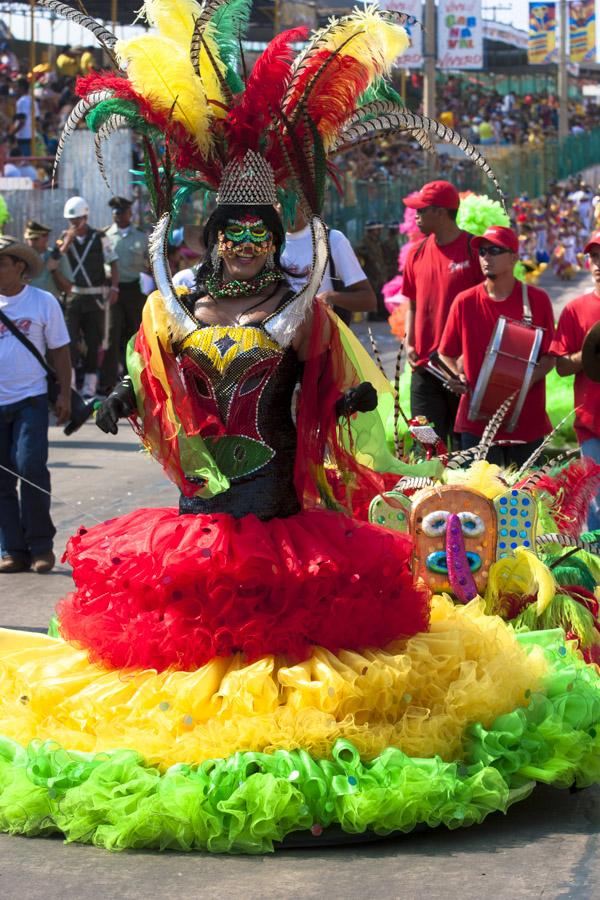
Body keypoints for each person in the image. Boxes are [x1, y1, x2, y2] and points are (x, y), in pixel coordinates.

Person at [0, 0, 598, 856]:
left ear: (274, 238)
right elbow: (155, 381)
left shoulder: (301, 310)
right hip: (200, 508)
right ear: (209, 240)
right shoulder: (179, 309)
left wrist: (347, 403)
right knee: (193, 637)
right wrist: (121, 400)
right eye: (230, 232)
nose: (243, 244)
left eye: (257, 232)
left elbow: (330, 378)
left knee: (291, 634)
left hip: (280, 506)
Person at [438, 225, 556, 466]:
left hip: (526, 423)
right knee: (479, 501)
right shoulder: (465, 301)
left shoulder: (537, 299)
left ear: (514, 258)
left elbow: (550, 356)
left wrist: (521, 380)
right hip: (476, 422)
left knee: (528, 500)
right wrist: (454, 376)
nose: (486, 257)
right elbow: (445, 354)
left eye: (494, 250)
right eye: (482, 252)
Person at [0, 235, 71, 573]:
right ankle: (12, 549)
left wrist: (66, 395)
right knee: (0, 481)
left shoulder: (43, 302)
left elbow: (60, 351)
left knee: (30, 469)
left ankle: (41, 547)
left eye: (1, 262)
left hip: (31, 399)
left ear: (19, 266)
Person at [402, 180, 484, 445]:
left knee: (466, 452)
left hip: (463, 372)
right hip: (425, 370)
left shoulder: (475, 251)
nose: (416, 215)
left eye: (421, 210)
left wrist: (468, 358)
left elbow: (487, 308)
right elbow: (413, 303)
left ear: (441, 212)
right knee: (425, 445)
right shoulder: (415, 254)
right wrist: (409, 340)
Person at [551, 230, 600, 531]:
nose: (599, 263)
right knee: (596, 504)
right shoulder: (575, 309)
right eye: (595, 257)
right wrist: (590, 352)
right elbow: (561, 366)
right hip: (591, 423)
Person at [59, 195, 119, 398]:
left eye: (76, 219)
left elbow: (113, 261)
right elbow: (56, 260)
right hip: (74, 298)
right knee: (69, 341)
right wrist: (67, 241)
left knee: (94, 342)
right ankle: (72, 386)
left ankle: (90, 388)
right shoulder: (64, 236)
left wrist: (114, 288)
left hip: (94, 299)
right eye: (71, 220)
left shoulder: (100, 237)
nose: (74, 223)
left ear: (85, 216)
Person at [280, 206, 376, 326]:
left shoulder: (332, 240)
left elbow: (368, 300)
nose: (281, 206)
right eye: (276, 199)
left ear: (303, 200)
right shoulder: (266, 244)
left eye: (288, 197)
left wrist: (330, 297)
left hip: (323, 339)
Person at [99, 196, 149, 393]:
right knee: (112, 335)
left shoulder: (141, 237)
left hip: (135, 290)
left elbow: (149, 263)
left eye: (122, 213)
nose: (118, 217)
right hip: (113, 289)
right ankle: (109, 382)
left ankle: (137, 379)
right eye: (115, 214)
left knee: (135, 335)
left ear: (130, 214)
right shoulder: (105, 236)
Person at [23, 219, 72, 299]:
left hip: (50, 306)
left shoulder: (59, 257)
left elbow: (68, 289)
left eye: (35, 239)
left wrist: (54, 271)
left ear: (46, 237)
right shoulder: (21, 258)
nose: (31, 242)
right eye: (29, 239)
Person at [13, 77, 38, 156]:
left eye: (16, 87)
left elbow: (22, 121)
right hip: (33, 136)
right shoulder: (33, 100)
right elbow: (37, 119)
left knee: (25, 161)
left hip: (23, 137)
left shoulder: (21, 101)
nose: (15, 89)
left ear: (22, 88)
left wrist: (12, 133)